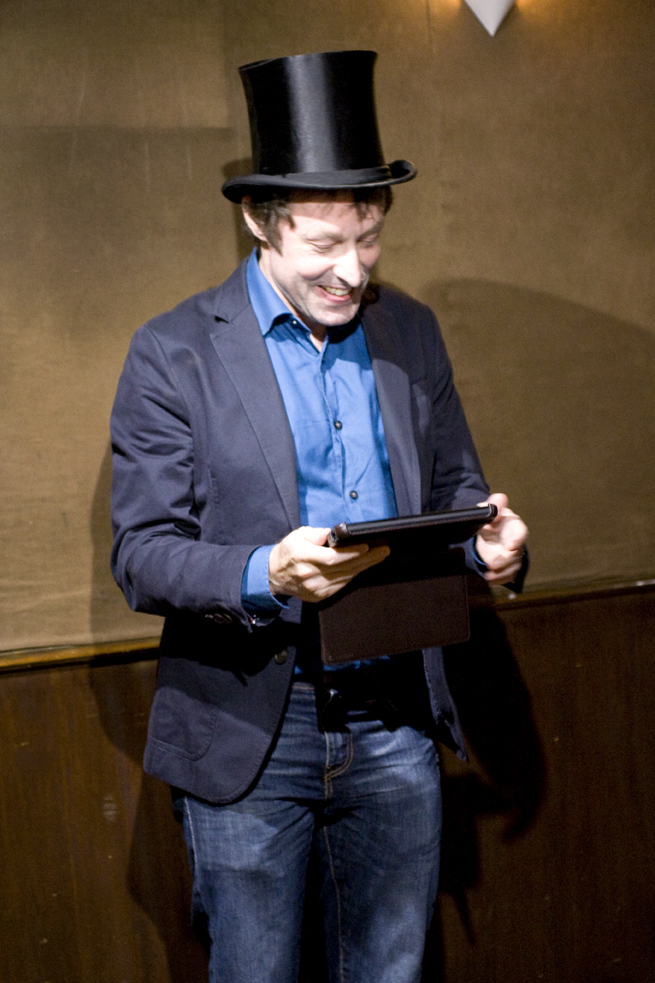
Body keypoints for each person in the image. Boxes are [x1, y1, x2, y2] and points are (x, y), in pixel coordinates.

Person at [110, 50, 528, 983]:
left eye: (369, 239)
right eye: (324, 244)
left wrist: (489, 548)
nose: (351, 269)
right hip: (252, 724)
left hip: (395, 715)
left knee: (389, 970)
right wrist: (266, 570)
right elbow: (141, 553)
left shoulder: (410, 329)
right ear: (259, 221)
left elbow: (457, 495)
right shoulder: (173, 352)